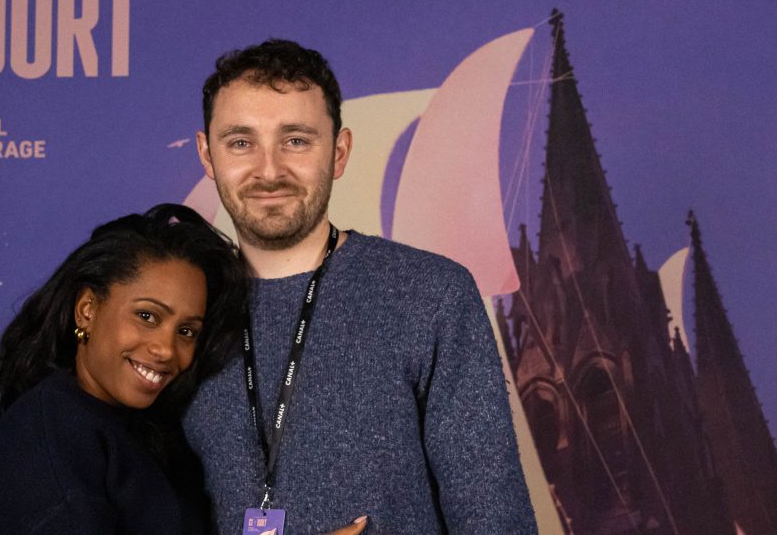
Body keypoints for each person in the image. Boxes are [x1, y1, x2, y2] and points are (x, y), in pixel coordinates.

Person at [185, 40, 538, 534]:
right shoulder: (179, 311)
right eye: (241, 142)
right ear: (207, 154)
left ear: (340, 152)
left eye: (296, 140)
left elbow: (495, 519)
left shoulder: (429, 294)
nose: (269, 170)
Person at [0, 204, 247, 535]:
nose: (166, 350)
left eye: (186, 331)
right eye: (147, 316)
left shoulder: (150, 432)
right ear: (87, 309)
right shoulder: (49, 434)